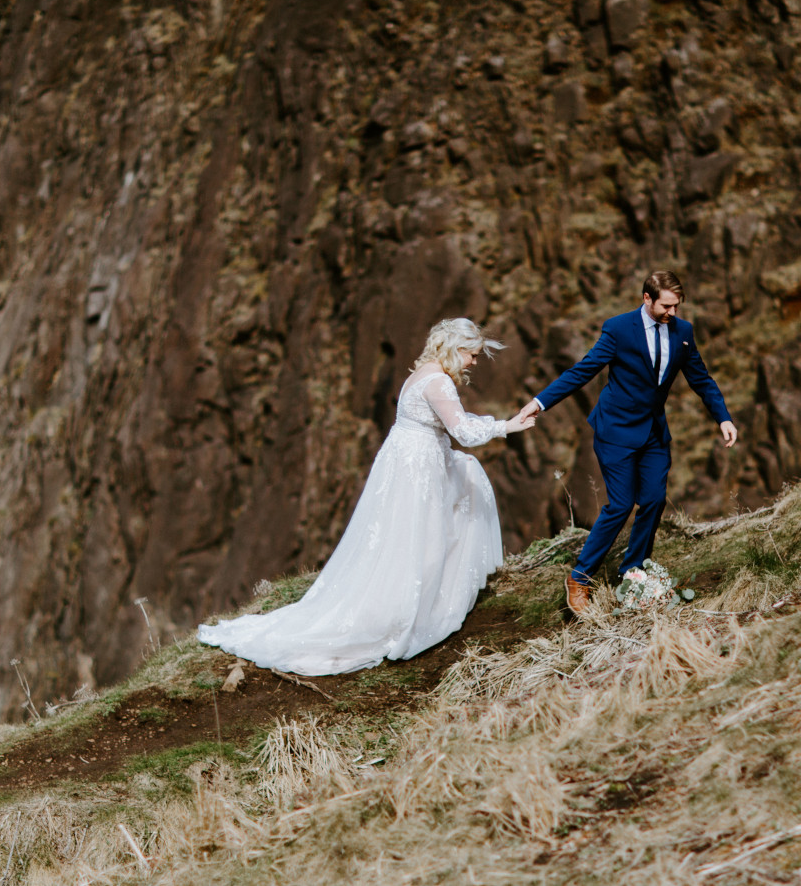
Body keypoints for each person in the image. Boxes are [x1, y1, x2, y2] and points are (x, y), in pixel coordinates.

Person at [197, 318, 536, 675]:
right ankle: (411, 609)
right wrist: (506, 426)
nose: (474, 362)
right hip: (417, 466)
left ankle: (414, 594)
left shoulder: (422, 373)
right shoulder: (438, 382)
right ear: (455, 349)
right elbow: (463, 432)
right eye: (472, 354)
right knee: (426, 533)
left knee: (404, 533)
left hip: (405, 460)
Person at [518, 271, 737, 615]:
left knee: (653, 500)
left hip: (653, 433)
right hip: (616, 430)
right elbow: (583, 370)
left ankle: (633, 573)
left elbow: (701, 378)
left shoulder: (683, 332)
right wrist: (538, 403)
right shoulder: (619, 329)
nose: (672, 313)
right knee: (620, 505)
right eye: (666, 305)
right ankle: (579, 577)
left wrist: (722, 417)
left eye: (677, 306)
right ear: (647, 299)